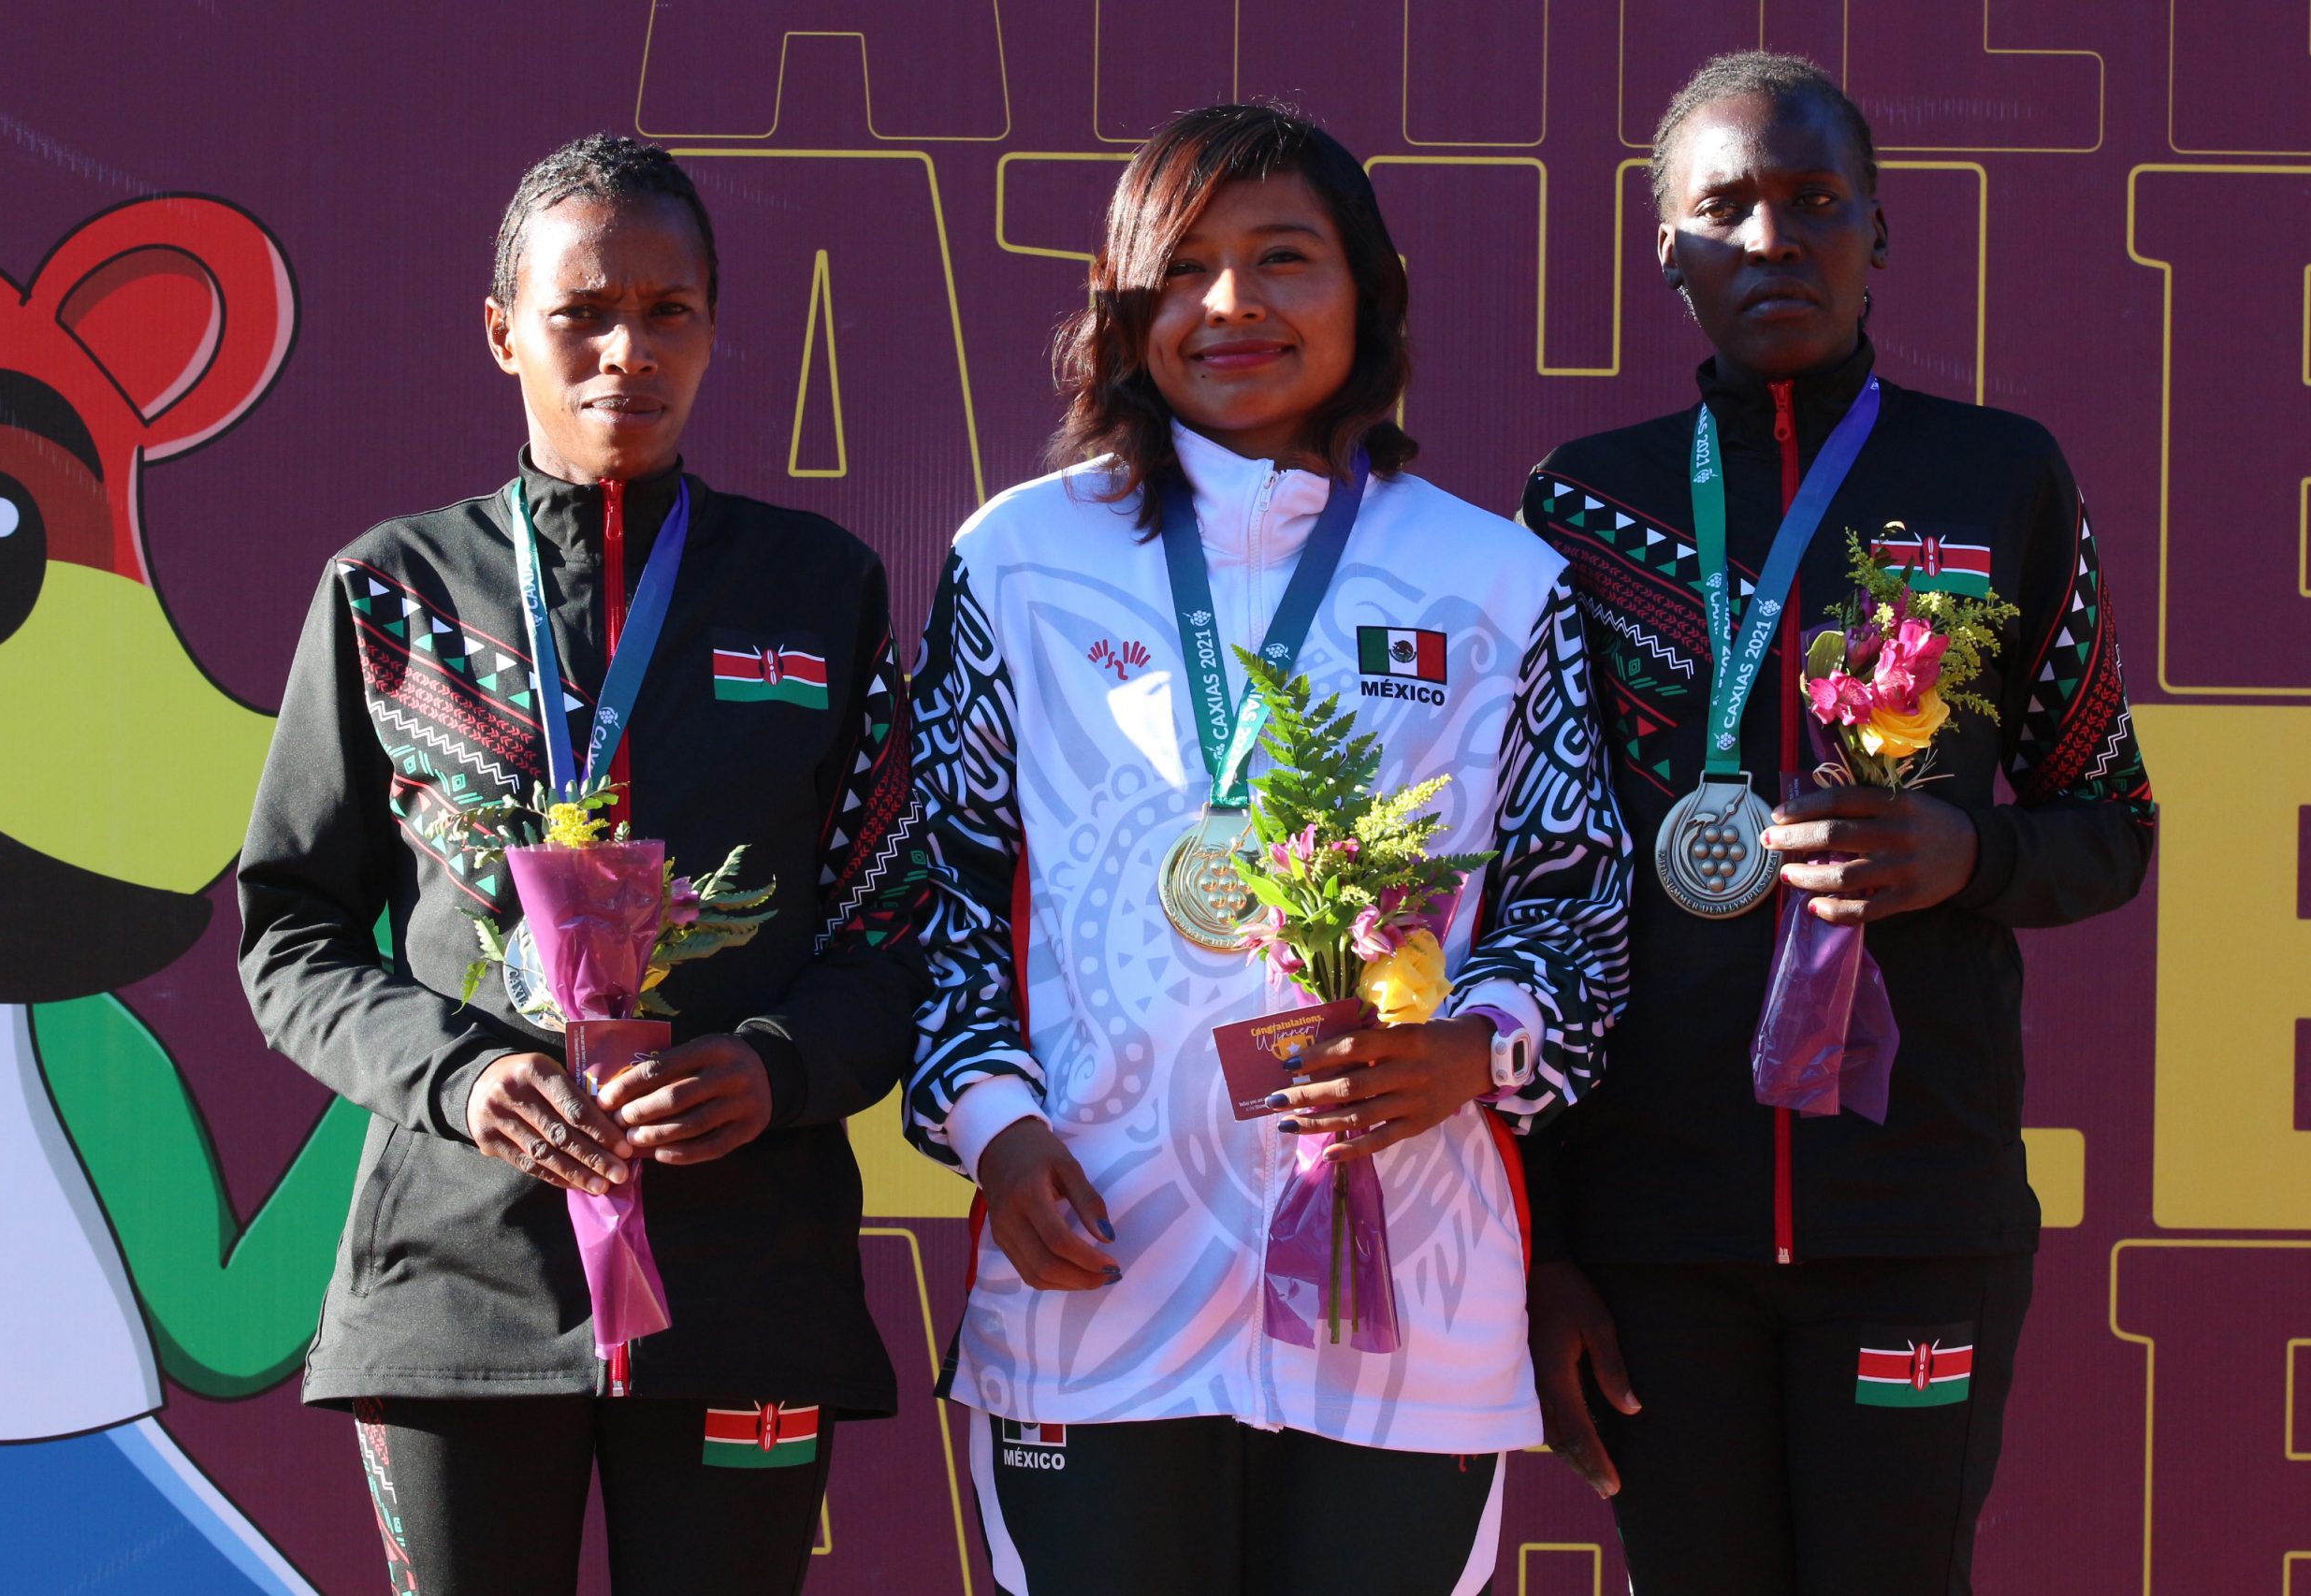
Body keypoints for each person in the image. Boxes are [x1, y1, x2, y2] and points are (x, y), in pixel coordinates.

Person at [904, 104, 1631, 1596]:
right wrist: (996, 1127)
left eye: (1284, 258)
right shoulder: (1018, 562)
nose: (1231, 303)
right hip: (1097, 1285)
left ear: (1370, 290)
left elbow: (1578, 907)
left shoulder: (1498, 580)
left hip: (1406, 1303)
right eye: (1182, 268)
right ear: (1122, 306)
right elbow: (936, 892)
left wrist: (1475, 1052)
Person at [236, 134, 926, 1595]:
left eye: (670, 312)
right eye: (584, 314)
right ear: (504, 333)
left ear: (715, 328)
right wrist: (462, 1076)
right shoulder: (391, 590)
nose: (629, 351)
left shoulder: (820, 588)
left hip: (745, 1278)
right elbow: (290, 933)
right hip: (458, 1283)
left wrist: (777, 1065)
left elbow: (888, 929)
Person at [1516, 53, 2157, 1594]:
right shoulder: (1578, 510)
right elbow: (1525, 894)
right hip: (1656, 1230)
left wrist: (1970, 855)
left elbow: (2111, 822)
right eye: (1725, 206)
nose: (1773, 237)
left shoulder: (2001, 476)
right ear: (1667, 249)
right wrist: (1547, 1248)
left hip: (1915, 1211)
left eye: (1814, 200)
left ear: (1879, 228)